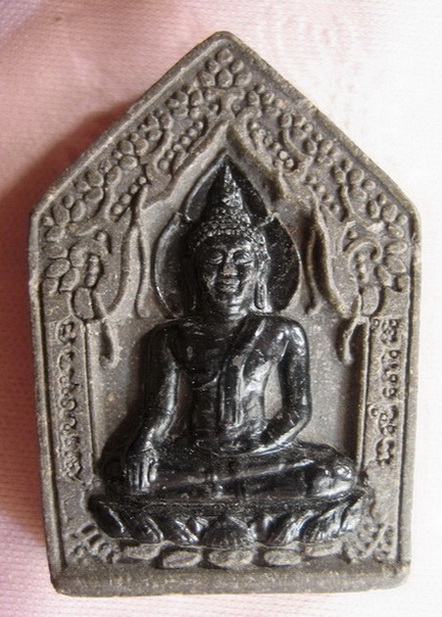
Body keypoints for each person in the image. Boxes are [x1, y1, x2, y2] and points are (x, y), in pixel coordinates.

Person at [122, 162, 356, 501]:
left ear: (261, 269)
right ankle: (234, 488)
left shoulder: (283, 332)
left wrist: (263, 444)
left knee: (338, 473)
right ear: (194, 271)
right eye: (214, 260)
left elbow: (297, 410)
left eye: (242, 260)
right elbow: (162, 411)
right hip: (199, 453)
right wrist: (144, 445)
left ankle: (217, 488)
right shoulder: (172, 336)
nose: (229, 271)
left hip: (262, 453)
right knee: (127, 477)